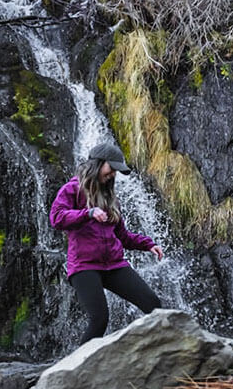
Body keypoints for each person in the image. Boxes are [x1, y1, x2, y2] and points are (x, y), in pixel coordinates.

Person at [50, 143, 164, 344]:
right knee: (99, 318)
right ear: (97, 164)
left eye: (115, 171)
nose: (113, 174)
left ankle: (161, 353)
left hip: (113, 264)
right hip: (84, 266)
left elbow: (123, 236)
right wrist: (88, 213)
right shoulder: (72, 189)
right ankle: (79, 369)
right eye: (111, 168)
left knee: (153, 304)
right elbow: (57, 218)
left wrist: (148, 244)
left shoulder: (110, 197)